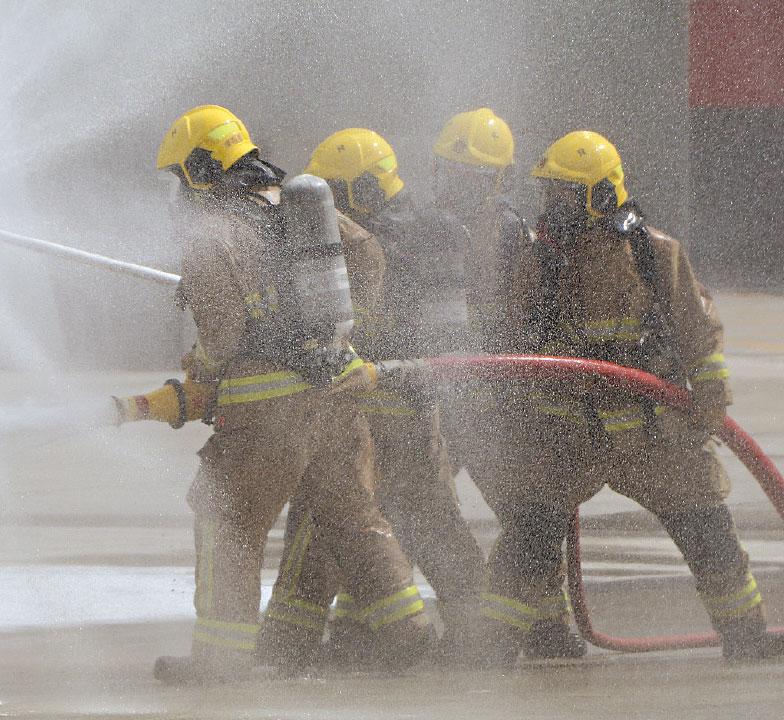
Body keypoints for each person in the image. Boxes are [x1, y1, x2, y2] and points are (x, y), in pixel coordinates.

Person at [479, 129, 784, 664]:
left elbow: (698, 333)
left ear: (600, 196)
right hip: (565, 436)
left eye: (565, 195)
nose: (553, 207)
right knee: (528, 540)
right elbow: (511, 343)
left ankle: (746, 636)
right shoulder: (540, 261)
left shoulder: (655, 254)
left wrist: (710, 394)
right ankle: (489, 650)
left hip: (653, 437)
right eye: (549, 194)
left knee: (708, 532)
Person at [151, 105, 431, 684]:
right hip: (334, 398)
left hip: (263, 415)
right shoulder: (302, 205)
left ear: (201, 168)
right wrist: (344, 333)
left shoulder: (214, 230)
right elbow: (369, 254)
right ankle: (406, 629)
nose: (180, 192)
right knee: (352, 517)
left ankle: (221, 661)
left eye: (181, 176)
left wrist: (202, 366)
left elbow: (223, 336)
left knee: (226, 518)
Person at [257, 128, 484, 668]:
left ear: (363, 189)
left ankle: (288, 648)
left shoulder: (400, 238)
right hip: (396, 407)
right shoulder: (425, 232)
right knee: (426, 523)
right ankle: (481, 637)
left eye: (334, 195)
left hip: (379, 408)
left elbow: (446, 342)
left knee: (328, 520)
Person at [430, 108, 586, 659]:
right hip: (460, 394)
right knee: (509, 513)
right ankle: (544, 627)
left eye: (466, 177)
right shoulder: (448, 231)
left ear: (494, 180)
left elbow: (519, 323)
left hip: (499, 400)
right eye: (448, 173)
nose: (452, 187)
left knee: (526, 515)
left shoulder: (509, 234)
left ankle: (530, 629)